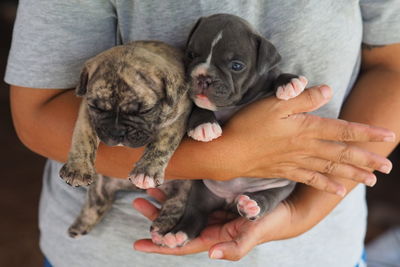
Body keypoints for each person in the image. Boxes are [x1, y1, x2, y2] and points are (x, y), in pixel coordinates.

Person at [5, 1, 400, 266]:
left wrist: (304, 210)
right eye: (192, 57)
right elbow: (37, 113)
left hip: (316, 247)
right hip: (113, 253)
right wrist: (222, 159)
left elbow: (392, 67)